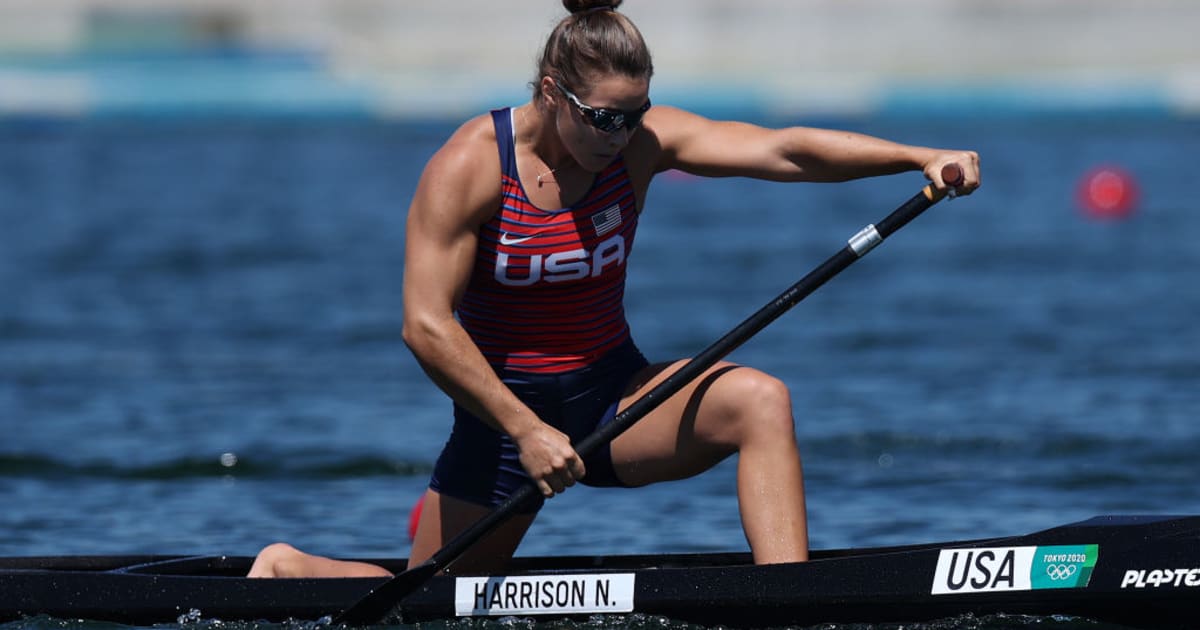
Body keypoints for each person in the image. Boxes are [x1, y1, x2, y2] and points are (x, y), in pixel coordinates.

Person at [247, 0, 980, 579]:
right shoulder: (469, 166)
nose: (620, 135)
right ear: (551, 93)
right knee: (427, 608)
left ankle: (787, 600)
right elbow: (425, 325)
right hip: (504, 426)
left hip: (615, 398)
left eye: (635, 116)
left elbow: (781, 148)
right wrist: (526, 429)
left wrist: (918, 155)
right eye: (603, 118)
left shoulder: (640, 144)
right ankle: (289, 568)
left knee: (759, 401)